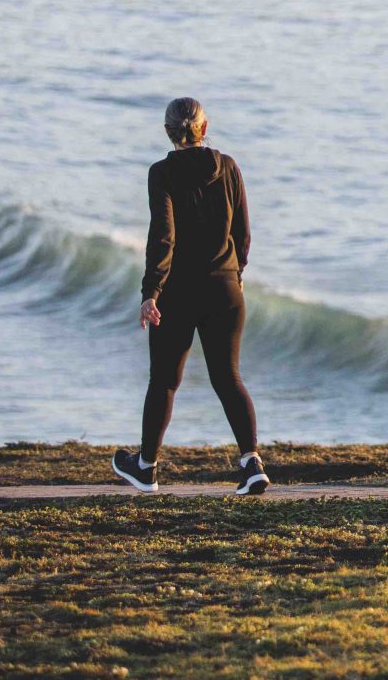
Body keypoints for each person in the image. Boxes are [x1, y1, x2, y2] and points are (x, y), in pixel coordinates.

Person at [111, 97, 268, 495]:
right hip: (226, 289)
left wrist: (151, 292)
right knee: (228, 378)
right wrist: (237, 273)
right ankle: (251, 465)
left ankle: (145, 468)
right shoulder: (228, 167)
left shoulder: (161, 173)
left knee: (164, 381)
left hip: (179, 293)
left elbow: (164, 236)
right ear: (205, 127)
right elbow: (243, 234)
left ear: (168, 132)